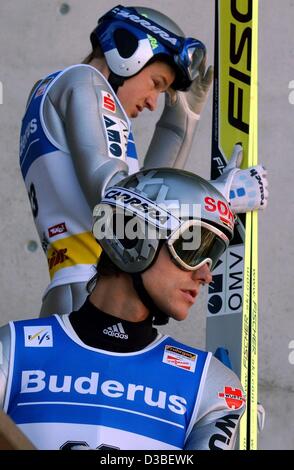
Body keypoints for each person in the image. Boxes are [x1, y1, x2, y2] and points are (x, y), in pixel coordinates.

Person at [19, 5, 267, 317]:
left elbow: (145, 195)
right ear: (127, 53)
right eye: (157, 82)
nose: (152, 102)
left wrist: (179, 123)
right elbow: (121, 207)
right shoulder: (84, 81)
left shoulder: (54, 92)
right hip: (95, 296)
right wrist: (220, 197)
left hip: (78, 288)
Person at [0, 168, 246, 450]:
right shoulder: (12, 351)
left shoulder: (212, 385)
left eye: (212, 257)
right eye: (191, 249)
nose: (205, 275)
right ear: (134, 237)